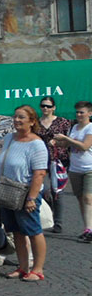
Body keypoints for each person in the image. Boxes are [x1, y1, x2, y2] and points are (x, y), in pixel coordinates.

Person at [0, 106, 50, 281]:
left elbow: (39, 173)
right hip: (7, 191)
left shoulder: (37, 144)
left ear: (32, 121)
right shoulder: (9, 138)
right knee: (16, 232)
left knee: (33, 231)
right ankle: (23, 267)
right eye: (15, 117)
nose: (17, 120)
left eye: (22, 117)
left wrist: (32, 198)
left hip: (26, 193)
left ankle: (38, 269)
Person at [53, 100, 92, 241]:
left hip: (89, 168)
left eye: (82, 112)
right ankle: (87, 227)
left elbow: (85, 146)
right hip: (75, 168)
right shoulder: (74, 127)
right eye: (77, 112)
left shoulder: (90, 128)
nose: (79, 114)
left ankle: (90, 229)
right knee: (81, 198)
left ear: (90, 113)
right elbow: (68, 144)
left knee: (88, 198)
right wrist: (58, 142)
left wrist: (66, 138)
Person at [37, 95, 72, 233]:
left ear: (54, 108)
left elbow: (69, 141)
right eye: (43, 105)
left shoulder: (63, 122)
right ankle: (46, 214)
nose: (46, 108)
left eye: (48, 106)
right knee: (41, 188)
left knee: (57, 190)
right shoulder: (36, 123)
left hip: (58, 159)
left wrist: (59, 142)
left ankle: (58, 222)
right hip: (40, 159)